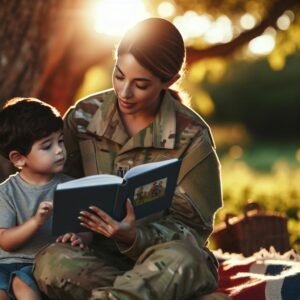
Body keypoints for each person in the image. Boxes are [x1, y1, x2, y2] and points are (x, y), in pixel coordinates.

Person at [33, 18, 223, 300]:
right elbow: (52, 184)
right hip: (96, 255)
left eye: (141, 84)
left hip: (162, 259)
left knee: (184, 261)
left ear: (169, 81)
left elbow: (192, 233)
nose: (124, 92)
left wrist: (134, 237)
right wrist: (76, 233)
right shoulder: (83, 117)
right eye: (119, 75)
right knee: (51, 263)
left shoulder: (192, 137)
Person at [0, 98, 91, 300]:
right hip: (5, 264)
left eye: (60, 140)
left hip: (42, 267)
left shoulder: (71, 187)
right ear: (19, 158)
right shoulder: (6, 192)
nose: (59, 150)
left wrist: (78, 238)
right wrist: (36, 222)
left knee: (22, 285)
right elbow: (5, 241)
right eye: (47, 146)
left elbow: (85, 230)